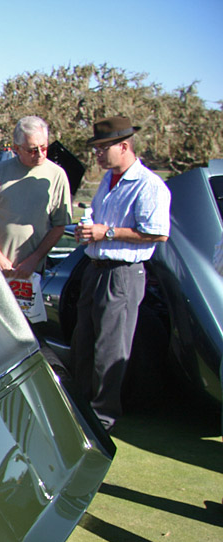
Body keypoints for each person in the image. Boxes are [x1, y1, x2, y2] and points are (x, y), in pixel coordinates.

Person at [71, 116, 171, 432]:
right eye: (96, 149)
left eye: (103, 148)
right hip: (95, 270)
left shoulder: (149, 185)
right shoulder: (108, 181)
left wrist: (107, 232)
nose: (97, 155)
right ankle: (80, 413)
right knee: (83, 343)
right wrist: (88, 233)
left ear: (124, 146)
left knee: (109, 351)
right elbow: (101, 226)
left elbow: (157, 234)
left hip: (123, 274)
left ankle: (102, 421)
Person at [0, 116, 71, 279]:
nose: (40, 154)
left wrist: (34, 259)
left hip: (32, 272)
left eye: (44, 147)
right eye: (32, 150)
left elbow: (59, 226)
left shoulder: (57, 175)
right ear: (16, 148)